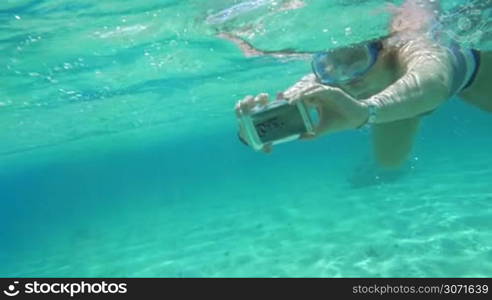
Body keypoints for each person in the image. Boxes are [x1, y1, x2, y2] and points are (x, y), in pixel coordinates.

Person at [224, 0, 491, 169]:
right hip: (395, 100)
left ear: (382, 47)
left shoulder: (412, 41)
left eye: (355, 59)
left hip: (477, 78)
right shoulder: (331, 73)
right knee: (389, 163)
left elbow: (434, 81)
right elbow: (298, 94)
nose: (347, 77)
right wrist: (250, 131)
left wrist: (367, 111)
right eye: (329, 65)